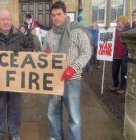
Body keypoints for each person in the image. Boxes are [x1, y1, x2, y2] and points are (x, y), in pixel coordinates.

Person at [0, 10, 33, 140]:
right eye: (3, 19)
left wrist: (21, 53)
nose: (6, 22)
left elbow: (31, 48)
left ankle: (14, 133)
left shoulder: (19, 36)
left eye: (8, 19)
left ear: (11, 20)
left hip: (16, 81)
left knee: (16, 109)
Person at [42, 1, 91, 140]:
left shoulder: (77, 31)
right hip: (54, 79)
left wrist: (73, 69)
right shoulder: (50, 34)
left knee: (74, 117)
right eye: (53, 15)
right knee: (52, 113)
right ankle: (55, 137)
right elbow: (44, 52)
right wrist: (44, 53)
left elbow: (86, 52)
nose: (56, 18)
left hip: (71, 80)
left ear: (65, 14)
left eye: (59, 14)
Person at [109, 16, 130, 94]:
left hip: (124, 55)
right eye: (117, 21)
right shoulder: (114, 30)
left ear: (123, 22)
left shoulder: (128, 31)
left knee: (124, 72)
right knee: (114, 71)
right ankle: (115, 84)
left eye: (118, 21)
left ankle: (122, 87)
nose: (117, 22)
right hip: (115, 54)